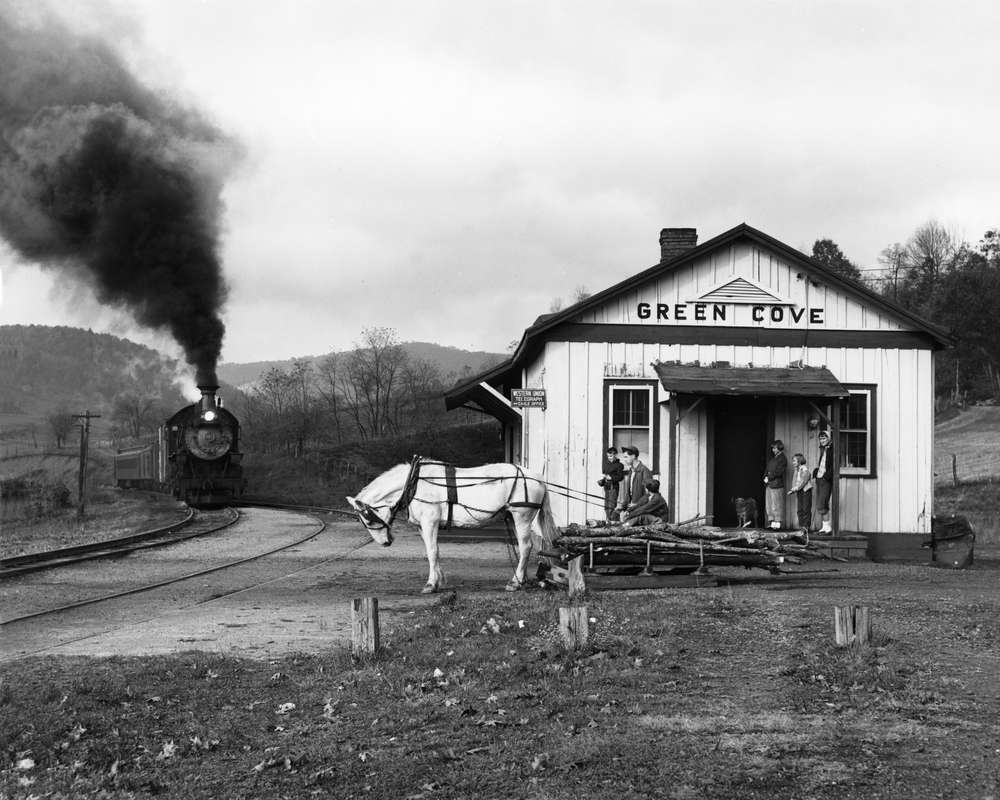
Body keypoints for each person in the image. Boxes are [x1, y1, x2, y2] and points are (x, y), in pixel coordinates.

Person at [616, 445, 654, 522]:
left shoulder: (645, 471)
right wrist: (622, 507)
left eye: (626, 457)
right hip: (631, 508)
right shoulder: (631, 471)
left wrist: (637, 504)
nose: (624, 460)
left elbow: (649, 494)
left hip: (640, 510)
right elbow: (628, 493)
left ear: (633, 456)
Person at [813, 429, 835, 534]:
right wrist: (817, 473)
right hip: (820, 478)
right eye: (820, 438)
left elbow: (833, 465)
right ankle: (824, 527)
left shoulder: (832, 449)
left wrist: (826, 476)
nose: (822, 440)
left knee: (823, 503)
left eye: (824, 438)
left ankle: (828, 527)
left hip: (826, 480)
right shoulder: (823, 449)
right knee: (820, 503)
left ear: (829, 438)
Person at [763, 439, 787, 530]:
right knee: (769, 504)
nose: (773, 450)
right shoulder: (773, 459)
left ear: (779, 448)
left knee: (776, 504)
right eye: (772, 448)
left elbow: (779, 472)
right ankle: (772, 523)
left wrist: (769, 477)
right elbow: (767, 469)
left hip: (776, 484)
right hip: (769, 484)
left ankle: (777, 524)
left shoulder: (782, 459)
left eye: (774, 448)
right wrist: (765, 477)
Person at [786, 452, 813, 533]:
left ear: (799, 461)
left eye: (794, 461)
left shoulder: (804, 469)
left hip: (805, 491)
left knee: (806, 509)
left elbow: (803, 481)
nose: (793, 462)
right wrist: (793, 489)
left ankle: (806, 527)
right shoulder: (797, 470)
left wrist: (795, 489)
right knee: (800, 509)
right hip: (799, 491)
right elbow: (795, 481)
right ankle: (801, 526)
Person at [596, 447, 625, 522]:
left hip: (613, 487)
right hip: (606, 487)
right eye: (608, 456)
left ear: (616, 455)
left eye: (611, 456)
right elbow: (605, 475)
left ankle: (614, 522)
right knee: (606, 507)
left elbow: (620, 477)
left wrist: (611, 477)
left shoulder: (619, 465)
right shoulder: (606, 464)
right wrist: (602, 481)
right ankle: (608, 521)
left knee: (612, 506)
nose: (609, 458)